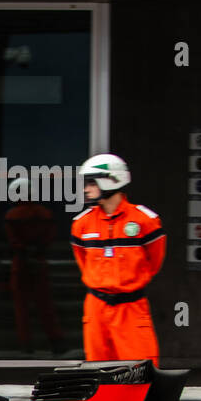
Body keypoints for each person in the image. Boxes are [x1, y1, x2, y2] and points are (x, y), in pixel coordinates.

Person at [70, 153, 165, 365]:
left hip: (131, 307)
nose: (86, 189)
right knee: (97, 370)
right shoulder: (81, 225)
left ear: (112, 180)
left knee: (140, 370)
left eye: (91, 182)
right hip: (96, 308)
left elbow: (153, 263)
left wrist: (128, 280)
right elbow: (83, 262)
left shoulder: (145, 221)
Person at [4, 177, 66, 355]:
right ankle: (56, 341)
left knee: (21, 308)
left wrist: (24, 251)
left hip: (21, 263)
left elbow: (13, 240)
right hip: (39, 262)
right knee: (45, 306)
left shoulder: (12, 215)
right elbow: (50, 237)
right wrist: (38, 252)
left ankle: (26, 344)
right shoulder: (44, 214)